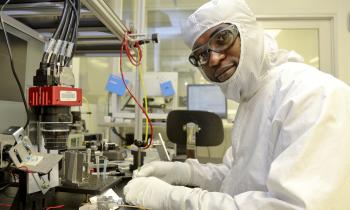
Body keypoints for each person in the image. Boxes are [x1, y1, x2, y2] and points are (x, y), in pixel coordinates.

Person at [123, 0, 350, 209]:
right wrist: (184, 172)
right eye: (201, 54)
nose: (212, 59)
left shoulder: (313, 93)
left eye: (222, 39)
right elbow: (236, 176)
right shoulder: (252, 98)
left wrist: (170, 198)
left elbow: (290, 206)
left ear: (248, 32)